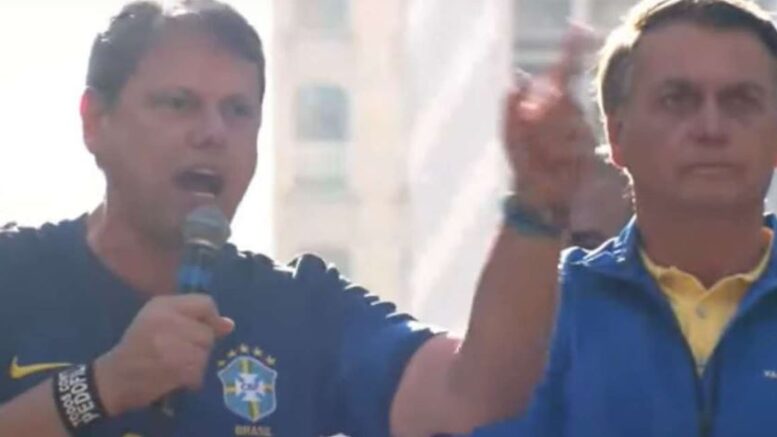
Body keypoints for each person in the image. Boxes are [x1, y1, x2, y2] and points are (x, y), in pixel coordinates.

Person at [0, 1, 593, 436]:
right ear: (95, 121)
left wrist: (536, 210)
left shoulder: (301, 309)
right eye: (178, 104)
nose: (213, 133)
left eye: (238, 111)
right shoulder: (14, 276)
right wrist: (100, 387)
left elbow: (473, 397)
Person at [471, 0, 777, 435]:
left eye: (741, 101)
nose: (711, 128)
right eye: (677, 100)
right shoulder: (550, 311)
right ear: (616, 135)